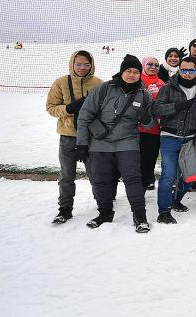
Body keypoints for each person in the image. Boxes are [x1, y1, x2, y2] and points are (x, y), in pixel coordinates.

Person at [76, 55, 154, 233]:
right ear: (122, 71)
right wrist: (82, 144)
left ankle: (139, 216)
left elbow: (149, 124)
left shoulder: (144, 94)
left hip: (127, 142)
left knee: (133, 179)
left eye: (136, 72)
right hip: (100, 142)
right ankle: (104, 213)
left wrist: (146, 118)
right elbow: (85, 115)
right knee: (100, 180)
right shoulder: (104, 89)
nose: (132, 75)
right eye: (128, 71)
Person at [46, 50, 103, 224]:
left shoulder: (99, 84)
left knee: (96, 174)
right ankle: (65, 209)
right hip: (68, 136)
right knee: (66, 175)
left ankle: (103, 206)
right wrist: (69, 109)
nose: (82, 68)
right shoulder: (61, 83)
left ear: (91, 65)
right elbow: (50, 107)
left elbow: (106, 110)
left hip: (92, 138)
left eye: (86, 64)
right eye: (78, 64)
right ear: (72, 64)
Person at [153, 56, 196, 224]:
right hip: (170, 137)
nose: (187, 73)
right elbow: (156, 109)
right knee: (168, 175)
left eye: (190, 70)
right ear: (179, 70)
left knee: (191, 175)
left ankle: (175, 199)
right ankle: (164, 211)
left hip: (190, 138)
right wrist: (177, 107)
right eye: (183, 70)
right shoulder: (168, 87)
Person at [139, 55, 166, 192]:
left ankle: (145, 184)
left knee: (149, 160)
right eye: (150, 64)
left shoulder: (162, 84)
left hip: (153, 130)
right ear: (143, 65)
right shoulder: (136, 80)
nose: (153, 67)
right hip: (135, 129)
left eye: (156, 65)